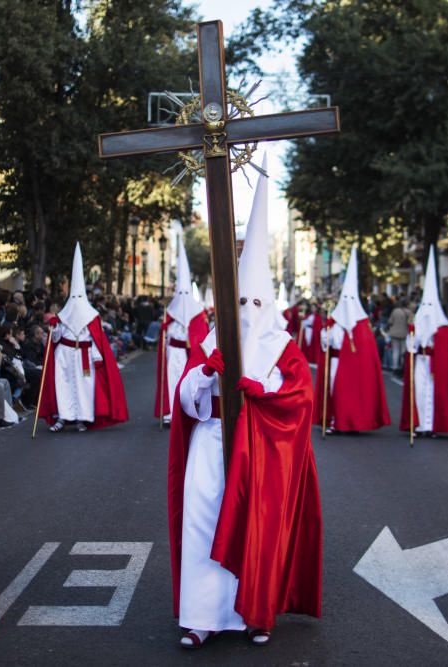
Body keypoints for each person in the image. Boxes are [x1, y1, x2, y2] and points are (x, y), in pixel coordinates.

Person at [168, 160, 321, 648]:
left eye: (257, 303)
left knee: (258, 530)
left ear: (269, 303)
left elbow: (301, 399)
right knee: (201, 522)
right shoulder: (213, 337)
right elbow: (186, 397)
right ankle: (200, 617)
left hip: (261, 454)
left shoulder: (283, 346)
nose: (249, 313)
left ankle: (255, 613)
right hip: (212, 444)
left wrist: (266, 395)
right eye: (242, 303)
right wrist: (206, 373)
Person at [37, 242, 128, 433]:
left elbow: (97, 338)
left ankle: (82, 418)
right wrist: (54, 328)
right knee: (63, 385)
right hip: (64, 354)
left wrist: (97, 356)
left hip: (85, 355)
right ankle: (63, 417)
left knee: (84, 387)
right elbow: (56, 339)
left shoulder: (92, 315)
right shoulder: (62, 314)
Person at [313, 245, 390, 434]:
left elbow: (367, 353)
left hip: (354, 368)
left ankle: (354, 421)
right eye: (343, 299)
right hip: (336, 362)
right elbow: (327, 345)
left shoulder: (362, 325)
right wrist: (327, 332)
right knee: (335, 392)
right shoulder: (334, 322)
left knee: (353, 393)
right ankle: (335, 420)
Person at [401, 248, 448, 437]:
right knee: (419, 393)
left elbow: (443, 350)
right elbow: (410, 347)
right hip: (420, 362)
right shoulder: (417, 322)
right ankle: (419, 424)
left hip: (433, 364)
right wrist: (413, 337)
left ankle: (432, 426)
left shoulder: (443, 327)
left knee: (434, 394)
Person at [155, 242, 209, 424]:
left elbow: (202, 337)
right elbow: (166, 335)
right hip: (173, 352)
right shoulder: (169, 312)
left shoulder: (198, 313)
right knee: (172, 380)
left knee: (189, 381)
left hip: (189, 354)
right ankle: (170, 412)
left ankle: (189, 410)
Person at [386, 298, 410, 371]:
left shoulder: (395, 311)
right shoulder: (409, 312)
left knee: (395, 350)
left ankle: (395, 366)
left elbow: (390, 321)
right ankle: (402, 366)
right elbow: (411, 323)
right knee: (403, 351)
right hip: (404, 333)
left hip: (395, 333)